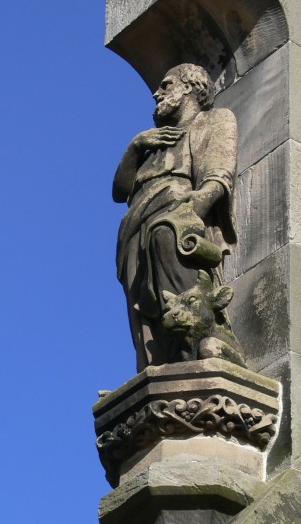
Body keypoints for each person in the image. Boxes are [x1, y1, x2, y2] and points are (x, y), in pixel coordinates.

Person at [113, 63, 239, 371]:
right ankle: (157, 368)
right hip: (136, 223)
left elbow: (218, 175)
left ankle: (199, 348)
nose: (157, 93)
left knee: (168, 247)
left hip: (177, 212)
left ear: (190, 87)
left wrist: (193, 206)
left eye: (166, 85)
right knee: (144, 309)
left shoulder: (214, 119)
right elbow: (120, 190)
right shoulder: (152, 141)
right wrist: (136, 146)